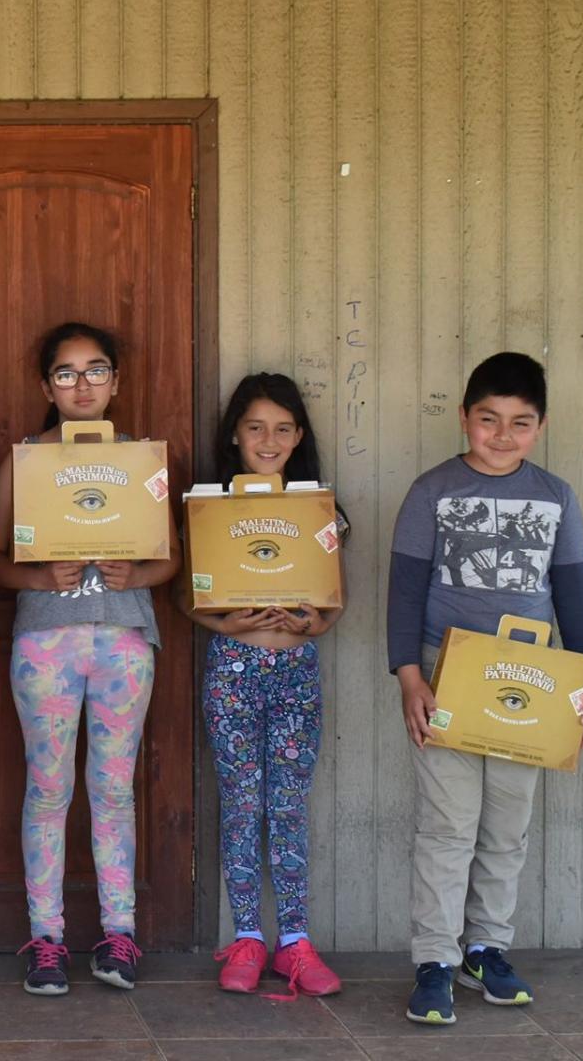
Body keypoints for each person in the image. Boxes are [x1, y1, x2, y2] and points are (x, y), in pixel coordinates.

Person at [389, 352, 583, 1025]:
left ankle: (487, 947)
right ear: (464, 418)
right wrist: (409, 677)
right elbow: (404, 589)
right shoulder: (432, 491)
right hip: (447, 670)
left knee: (508, 824)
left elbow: (574, 591)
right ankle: (435, 959)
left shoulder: (555, 496)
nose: (502, 435)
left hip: (532, 677)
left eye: (520, 422)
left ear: (540, 426)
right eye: (489, 420)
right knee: (448, 823)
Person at [0, 322, 180, 995]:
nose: (83, 384)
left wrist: (138, 574)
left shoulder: (139, 458)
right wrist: (38, 578)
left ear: (116, 381)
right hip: (46, 641)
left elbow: (171, 559)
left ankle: (118, 936)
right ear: (47, 386)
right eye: (66, 374)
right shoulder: (26, 457)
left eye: (96, 371)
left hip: (124, 638)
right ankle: (47, 938)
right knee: (48, 789)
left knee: (113, 790)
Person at [183, 373, 343, 997]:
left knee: (286, 806)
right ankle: (248, 937)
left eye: (282, 428)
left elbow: (336, 603)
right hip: (233, 670)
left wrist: (314, 621)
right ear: (234, 436)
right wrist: (225, 620)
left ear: (299, 436)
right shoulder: (211, 509)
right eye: (255, 428)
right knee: (242, 802)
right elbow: (186, 596)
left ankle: (295, 944)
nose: (268, 440)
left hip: (296, 673)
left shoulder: (319, 509)